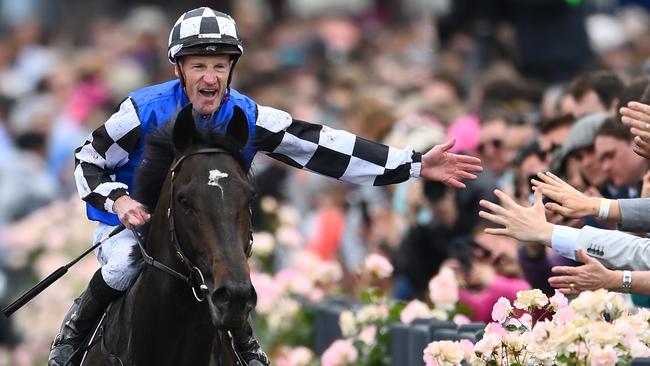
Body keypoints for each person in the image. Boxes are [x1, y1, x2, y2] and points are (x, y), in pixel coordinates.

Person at [48, 7, 483, 366]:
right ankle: (72, 338)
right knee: (125, 260)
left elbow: (326, 147)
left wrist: (413, 165)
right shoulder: (143, 109)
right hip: (134, 216)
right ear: (179, 68)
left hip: (208, 222)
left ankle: (245, 347)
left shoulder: (248, 114)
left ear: (231, 68)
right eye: (198, 65)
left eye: (219, 65)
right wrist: (118, 199)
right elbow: (88, 157)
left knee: (230, 267)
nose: (210, 77)